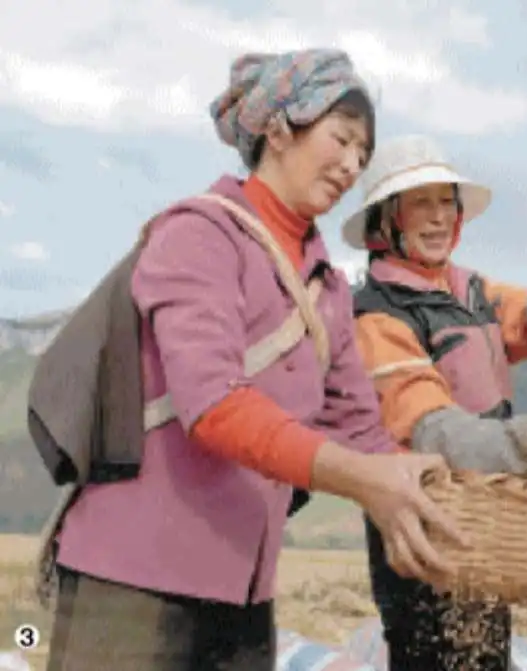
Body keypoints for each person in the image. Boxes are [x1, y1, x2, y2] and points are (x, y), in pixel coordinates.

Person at [42, 52, 464, 671]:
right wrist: (365, 481)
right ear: (277, 130)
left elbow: (359, 429)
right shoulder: (200, 235)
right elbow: (214, 407)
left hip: (243, 596)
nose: (351, 165)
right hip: (133, 583)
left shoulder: (328, 286)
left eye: (362, 155)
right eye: (340, 138)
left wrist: (416, 490)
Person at [342, 134, 527, 671]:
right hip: (420, 538)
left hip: (485, 528)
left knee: (488, 656)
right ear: (387, 220)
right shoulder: (377, 317)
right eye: (420, 204)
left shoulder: (470, 290)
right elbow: (439, 436)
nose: (437, 219)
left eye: (445, 202)